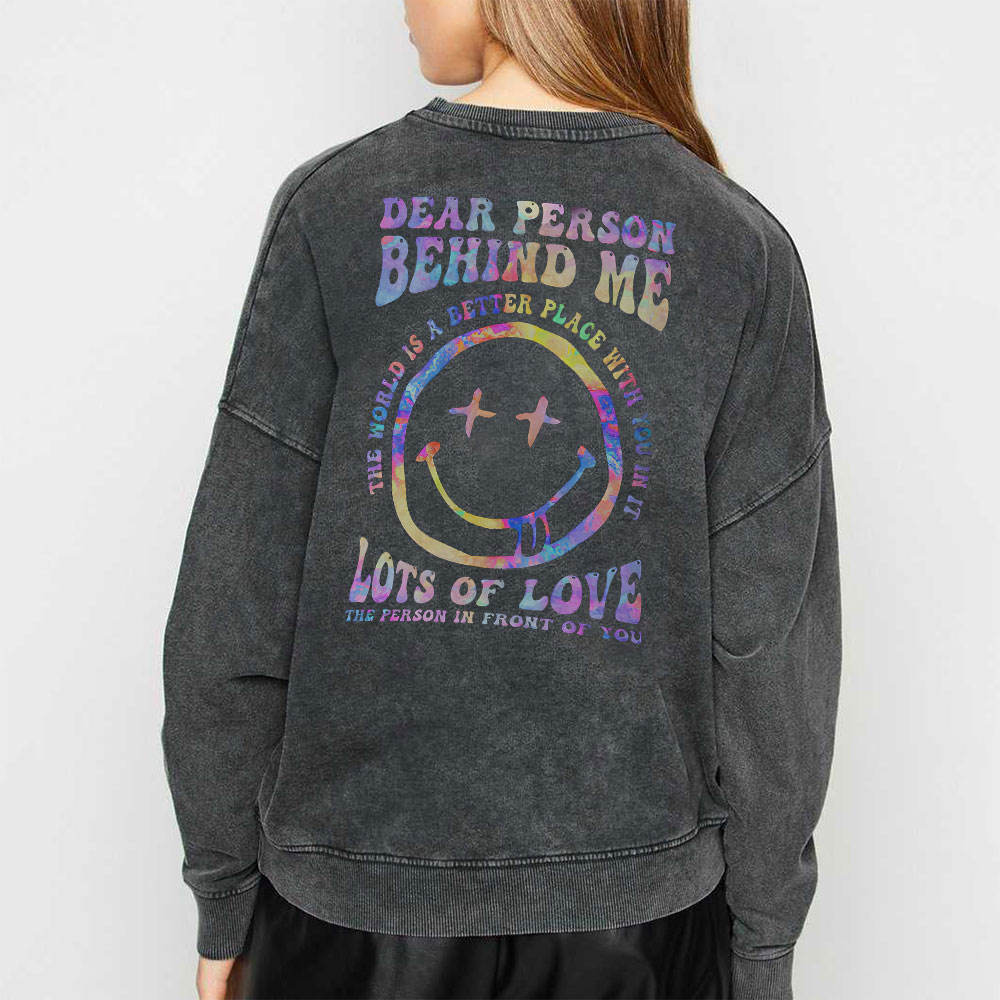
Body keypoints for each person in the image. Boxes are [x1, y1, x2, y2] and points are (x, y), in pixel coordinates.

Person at [162, 1, 842, 997]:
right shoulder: (737, 244)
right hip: (636, 933)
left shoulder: (336, 206)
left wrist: (224, 890)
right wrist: (765, 944)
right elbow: (773, 660)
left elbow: (234, 605)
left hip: (351, 919)